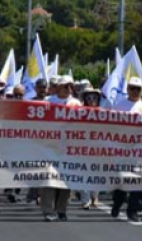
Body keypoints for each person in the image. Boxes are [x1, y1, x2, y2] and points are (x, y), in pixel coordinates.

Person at [41, 75, 81, 221]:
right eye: (65, 86)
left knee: (66, 179)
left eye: (70, 86)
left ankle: (62, 209)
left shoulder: (76, 103)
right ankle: (47, 210)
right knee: (49, 178)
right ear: (58, 87)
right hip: (50, 145)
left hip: (69, 147)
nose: (68, 88)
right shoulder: (48, 101)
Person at [111, 77, 142, 222]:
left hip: (139, 150)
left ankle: (132, 210)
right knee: (122, 181)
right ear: (127, 89)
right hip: (122, 149)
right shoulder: (119, 105)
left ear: (141, 91)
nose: (134, 91)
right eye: (132, 88)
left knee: (137, 182)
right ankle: (117, 203)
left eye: (137, 89)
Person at [79, 88, 103, 210]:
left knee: (97, 173)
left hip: (98, 149)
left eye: (94, 97)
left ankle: (95, 196)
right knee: (83, 173)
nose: (92, 100)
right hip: (82, 148)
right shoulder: (79, 112)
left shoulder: (103, 113)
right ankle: (85, 199)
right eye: (89, 97)